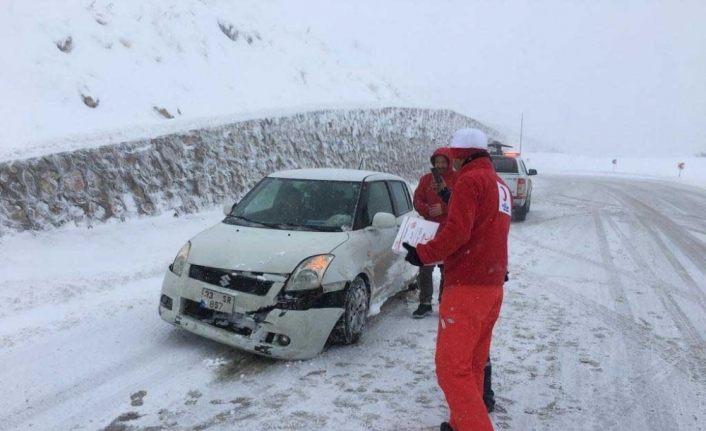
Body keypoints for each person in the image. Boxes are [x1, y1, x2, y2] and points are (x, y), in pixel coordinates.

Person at [403, 128, 511, 431]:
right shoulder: (498, 184)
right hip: (491, 287)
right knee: (473, 364)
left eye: (452, 157)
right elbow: (492, 231)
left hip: (467, 288)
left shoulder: (469, 180)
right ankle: (462, 423)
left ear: (460, 156)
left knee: (450, 369)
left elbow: (458, 233)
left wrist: (422, 254)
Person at [411, 147, 457, 318]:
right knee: (425, 267)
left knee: (447, 268)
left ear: (449, 162)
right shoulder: (425, 180)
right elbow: (417, 200)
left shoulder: (458, 179)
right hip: (428, 230)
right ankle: (424, 303)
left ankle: (445, 303)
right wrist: (428, 210)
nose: (440, 165)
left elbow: (462, 202)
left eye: (443, 162)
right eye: (437, 162)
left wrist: (444, 208)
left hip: (449, 229)